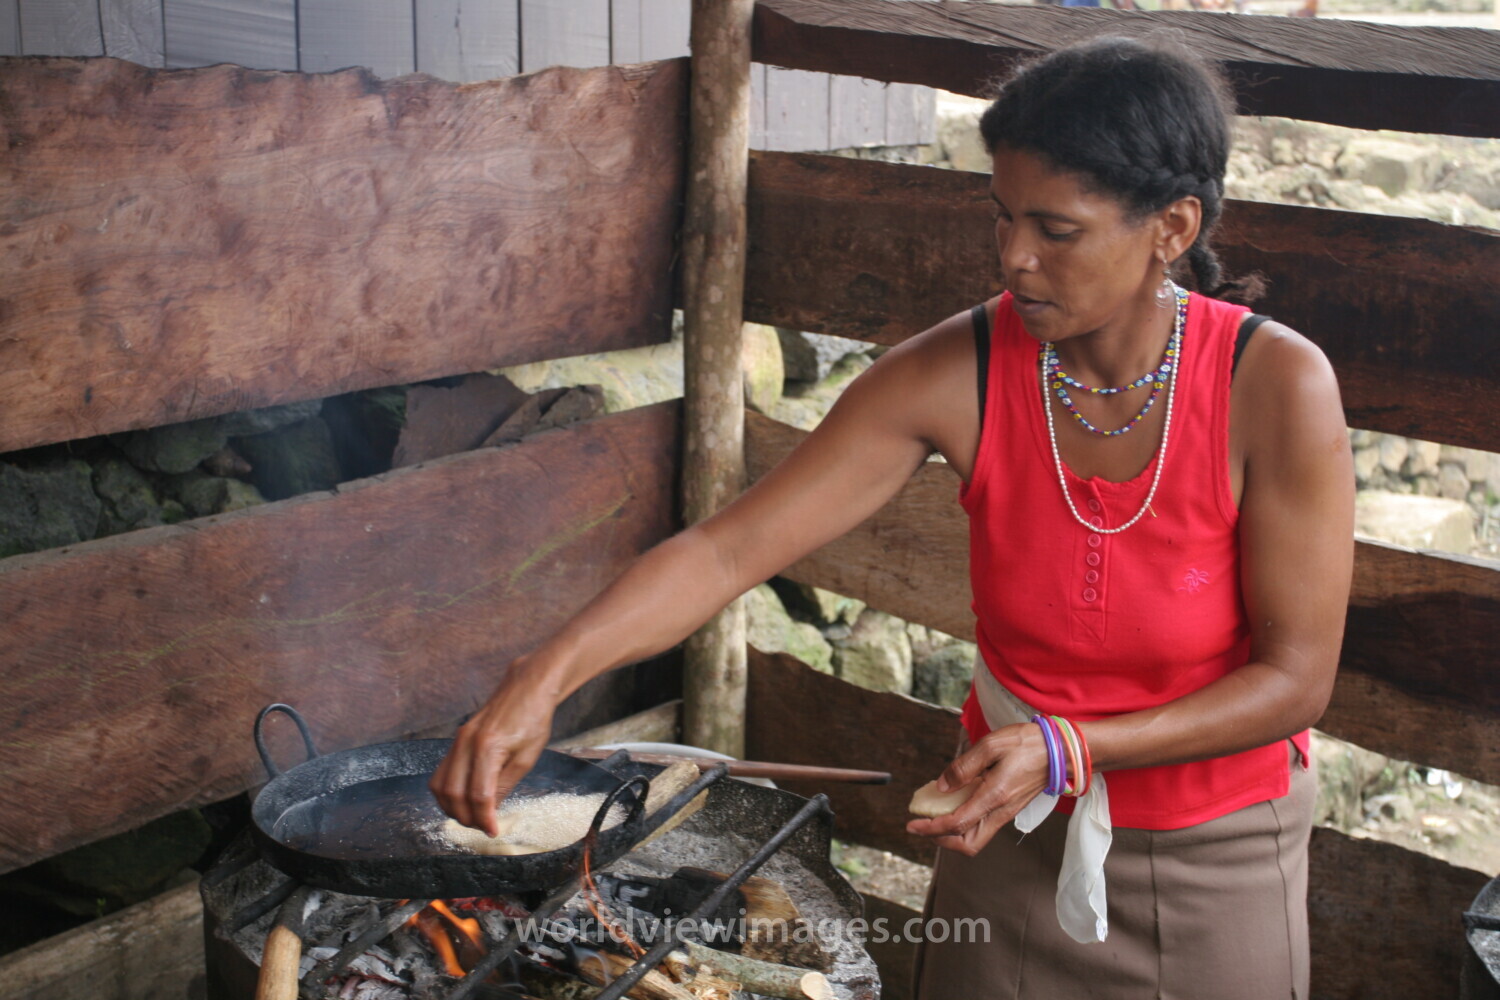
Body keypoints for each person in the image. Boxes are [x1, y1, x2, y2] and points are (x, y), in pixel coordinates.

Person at [431, 34, 1353, 998]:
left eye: (1057, 230)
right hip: (1003, 832)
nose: (1015, 258)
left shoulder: (1274, 386)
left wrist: (1071, 747)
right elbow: (727, 551)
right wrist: (544, 675)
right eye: (1003, 218)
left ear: (1172, 226)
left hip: (1215, 857)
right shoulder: (963, 371)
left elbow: (1295, 683)